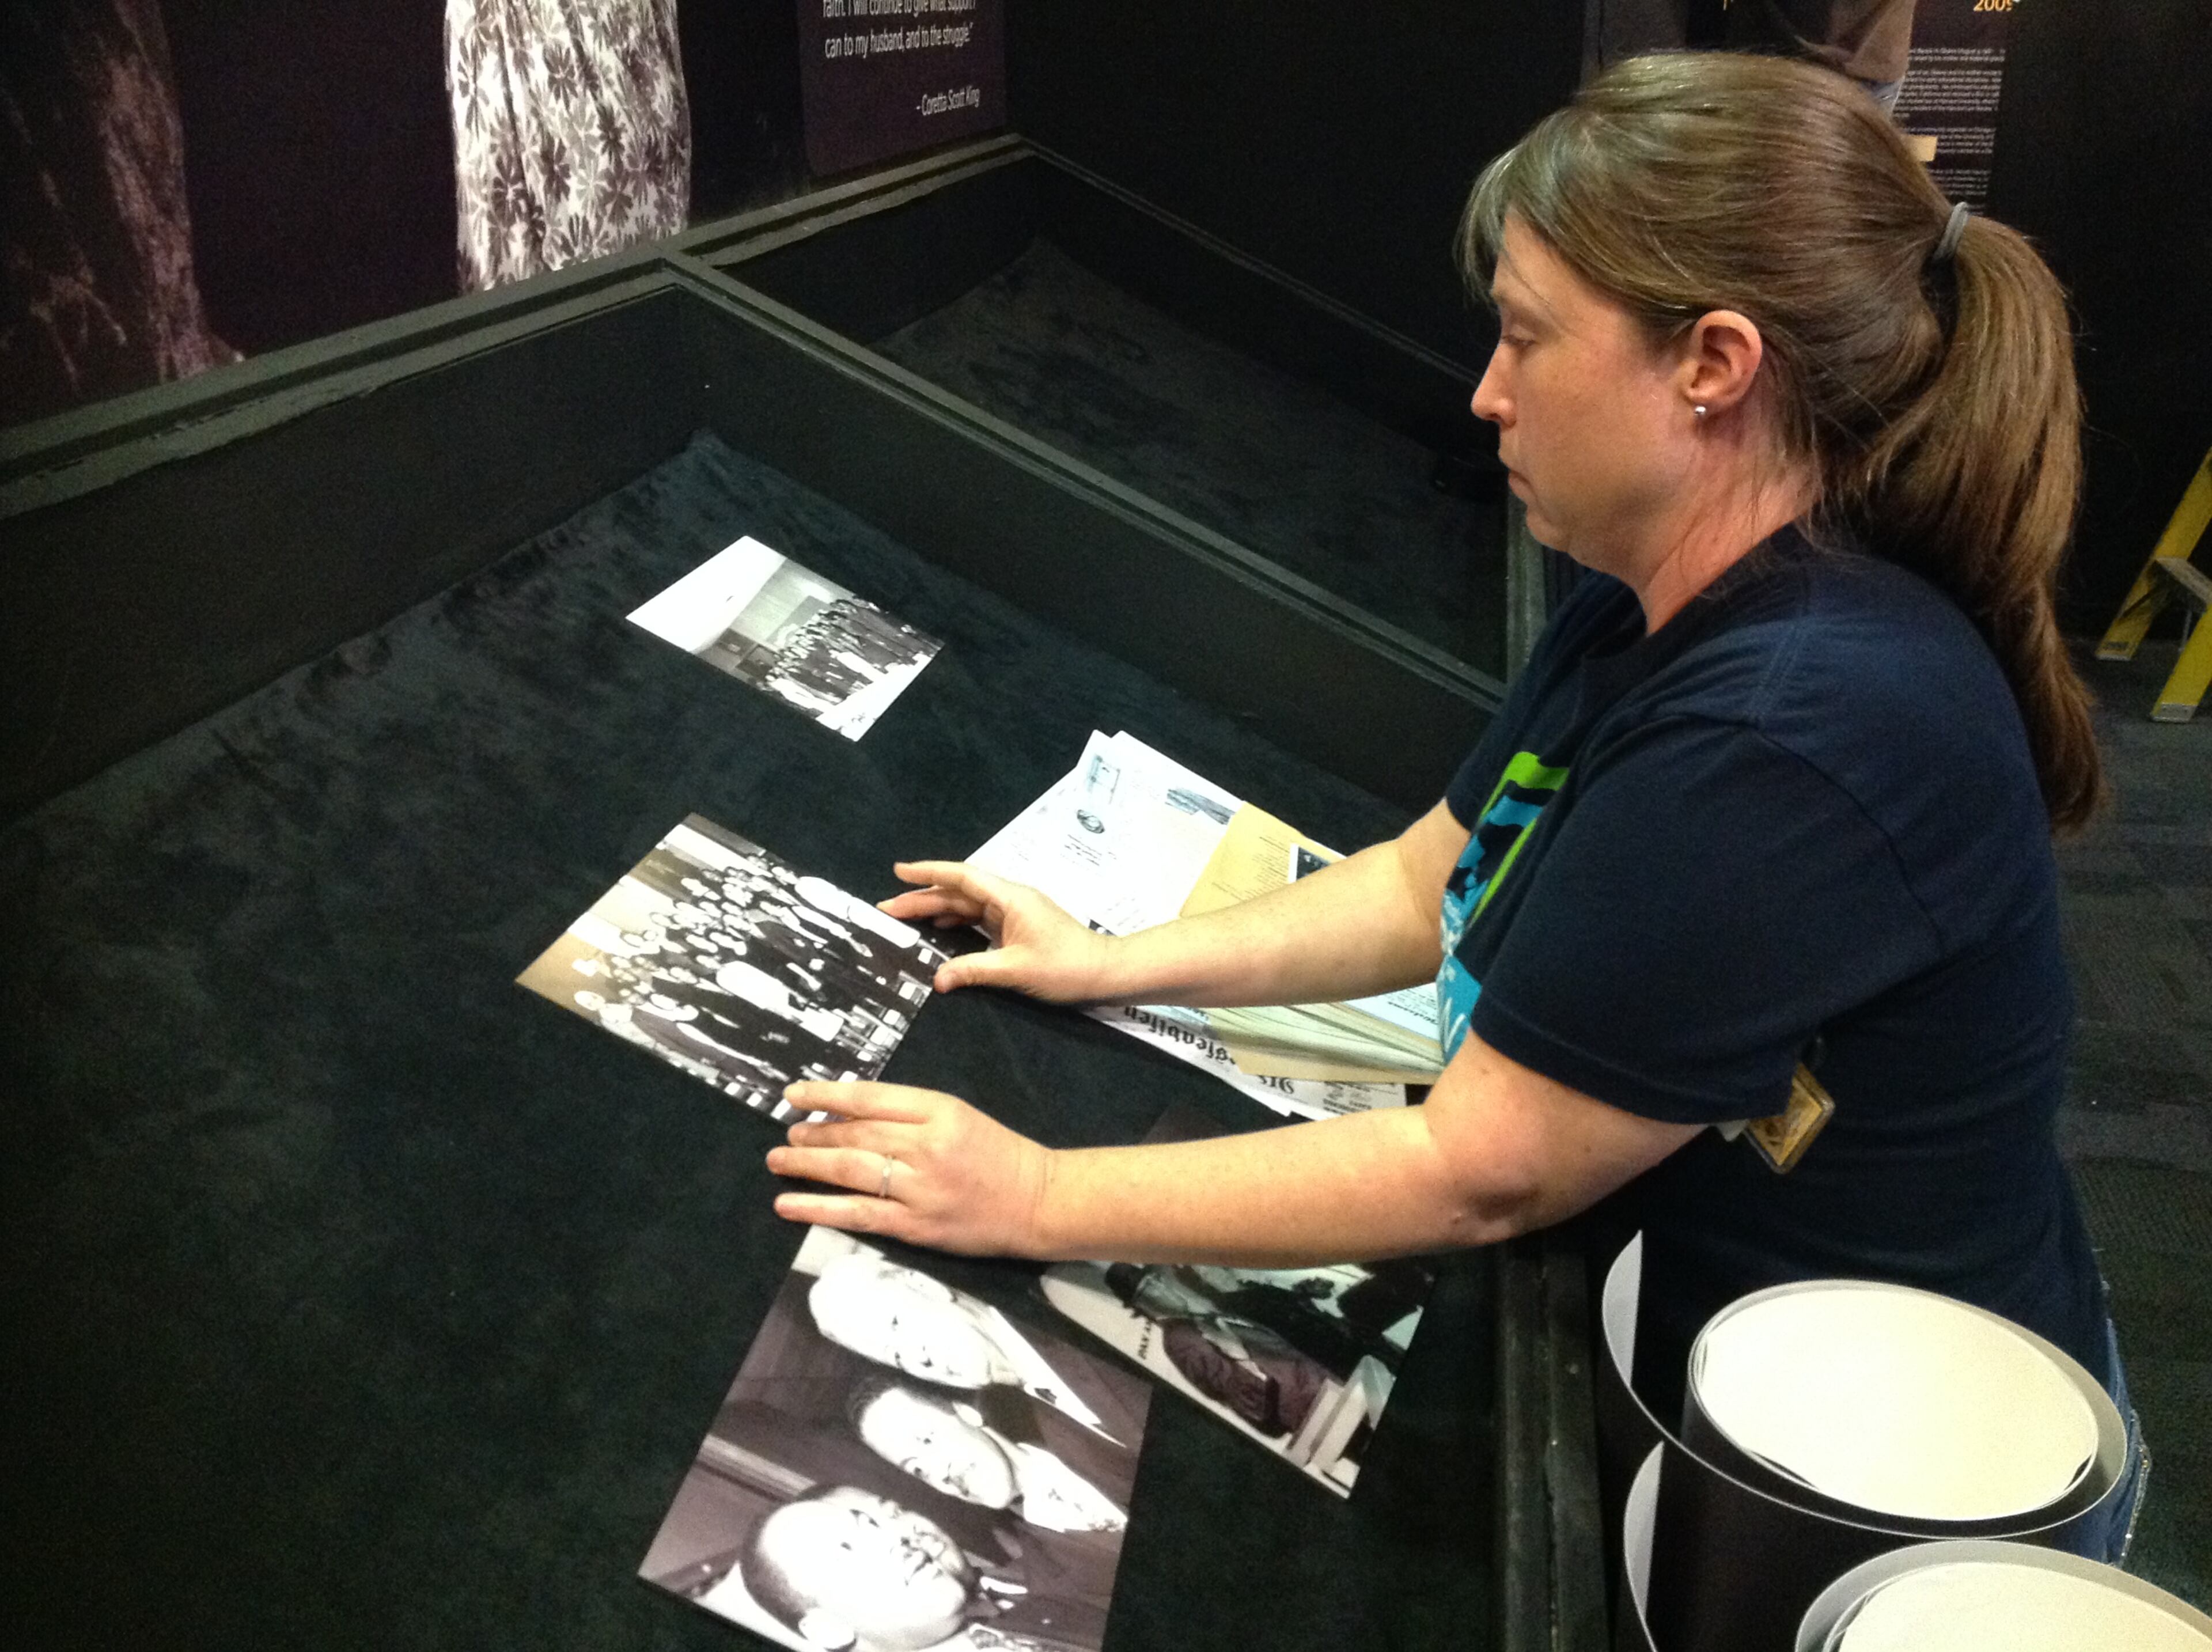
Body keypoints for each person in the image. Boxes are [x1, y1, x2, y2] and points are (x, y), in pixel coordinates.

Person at [759, 53, 2142, 1559]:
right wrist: (1112, 951)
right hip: (1720, 1368)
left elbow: (1481, 1163)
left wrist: (1033, 1193)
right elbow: (1434, 876)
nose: (1486, 391)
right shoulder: (1656, 586)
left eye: (1528, 339)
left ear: (1715, 364)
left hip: (1883, 1499)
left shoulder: (1791, 727)